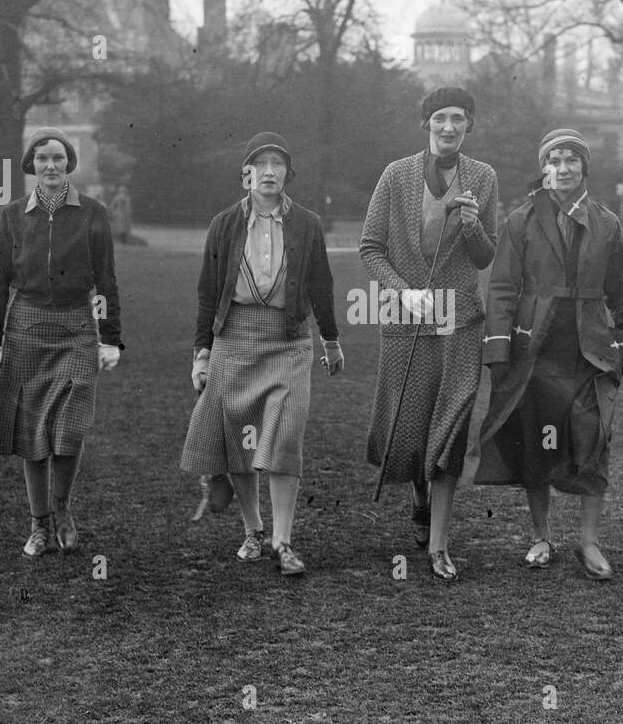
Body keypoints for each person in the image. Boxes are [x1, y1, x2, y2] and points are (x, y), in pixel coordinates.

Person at [477, 129, 623, 579]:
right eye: (554, 159)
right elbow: (501, 287)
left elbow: (621, 290)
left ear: (583, 167)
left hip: (591, 349)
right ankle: (541, 536)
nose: (563, 167)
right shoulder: (521, 220)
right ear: (543, 168)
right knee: (539, 441)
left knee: (595, 438)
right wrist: (498, 348)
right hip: (534, 348)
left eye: (572, 159)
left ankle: (589, 542)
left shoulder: (607, 223)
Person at [180, 133, 342, 577]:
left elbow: (321, 285)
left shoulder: (307, 223)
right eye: (260, 163)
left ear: (288, 173)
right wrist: (202, 355)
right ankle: (253, 530)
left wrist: (331, 340)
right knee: (242, 438)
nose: (269, 171)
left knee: (285, 436)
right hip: (234, 338)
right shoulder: (225, 224)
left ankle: (282, 540)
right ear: (246, 173)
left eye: (277, 163)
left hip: (289, 339)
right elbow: (208, 293)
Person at [360, 86, 498, 581]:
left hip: (460, 321)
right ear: (427, 124)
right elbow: (371, 246)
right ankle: (419, 500)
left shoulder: (482, 177)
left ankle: (440, 544)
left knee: (452, 426)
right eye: (440, 117)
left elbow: (485, 255)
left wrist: (473, 222)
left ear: (469, 125)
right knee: (410, 430)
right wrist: (402, 292)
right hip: (407, 320)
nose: (449, 126)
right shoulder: (397, 175)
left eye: (458, 118)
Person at [0, 127, 122, 558]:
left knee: (70, 425)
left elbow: (106, 279)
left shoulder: (93, 213)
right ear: (31, 167)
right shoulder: (13, 216)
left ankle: (62, 508)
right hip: (26, 327)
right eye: (42, 159)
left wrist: (110, 338)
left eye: (58, 158)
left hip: (78, 326)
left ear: (69, 163)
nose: (51, 166)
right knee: (32, 432)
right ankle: (39, 524)